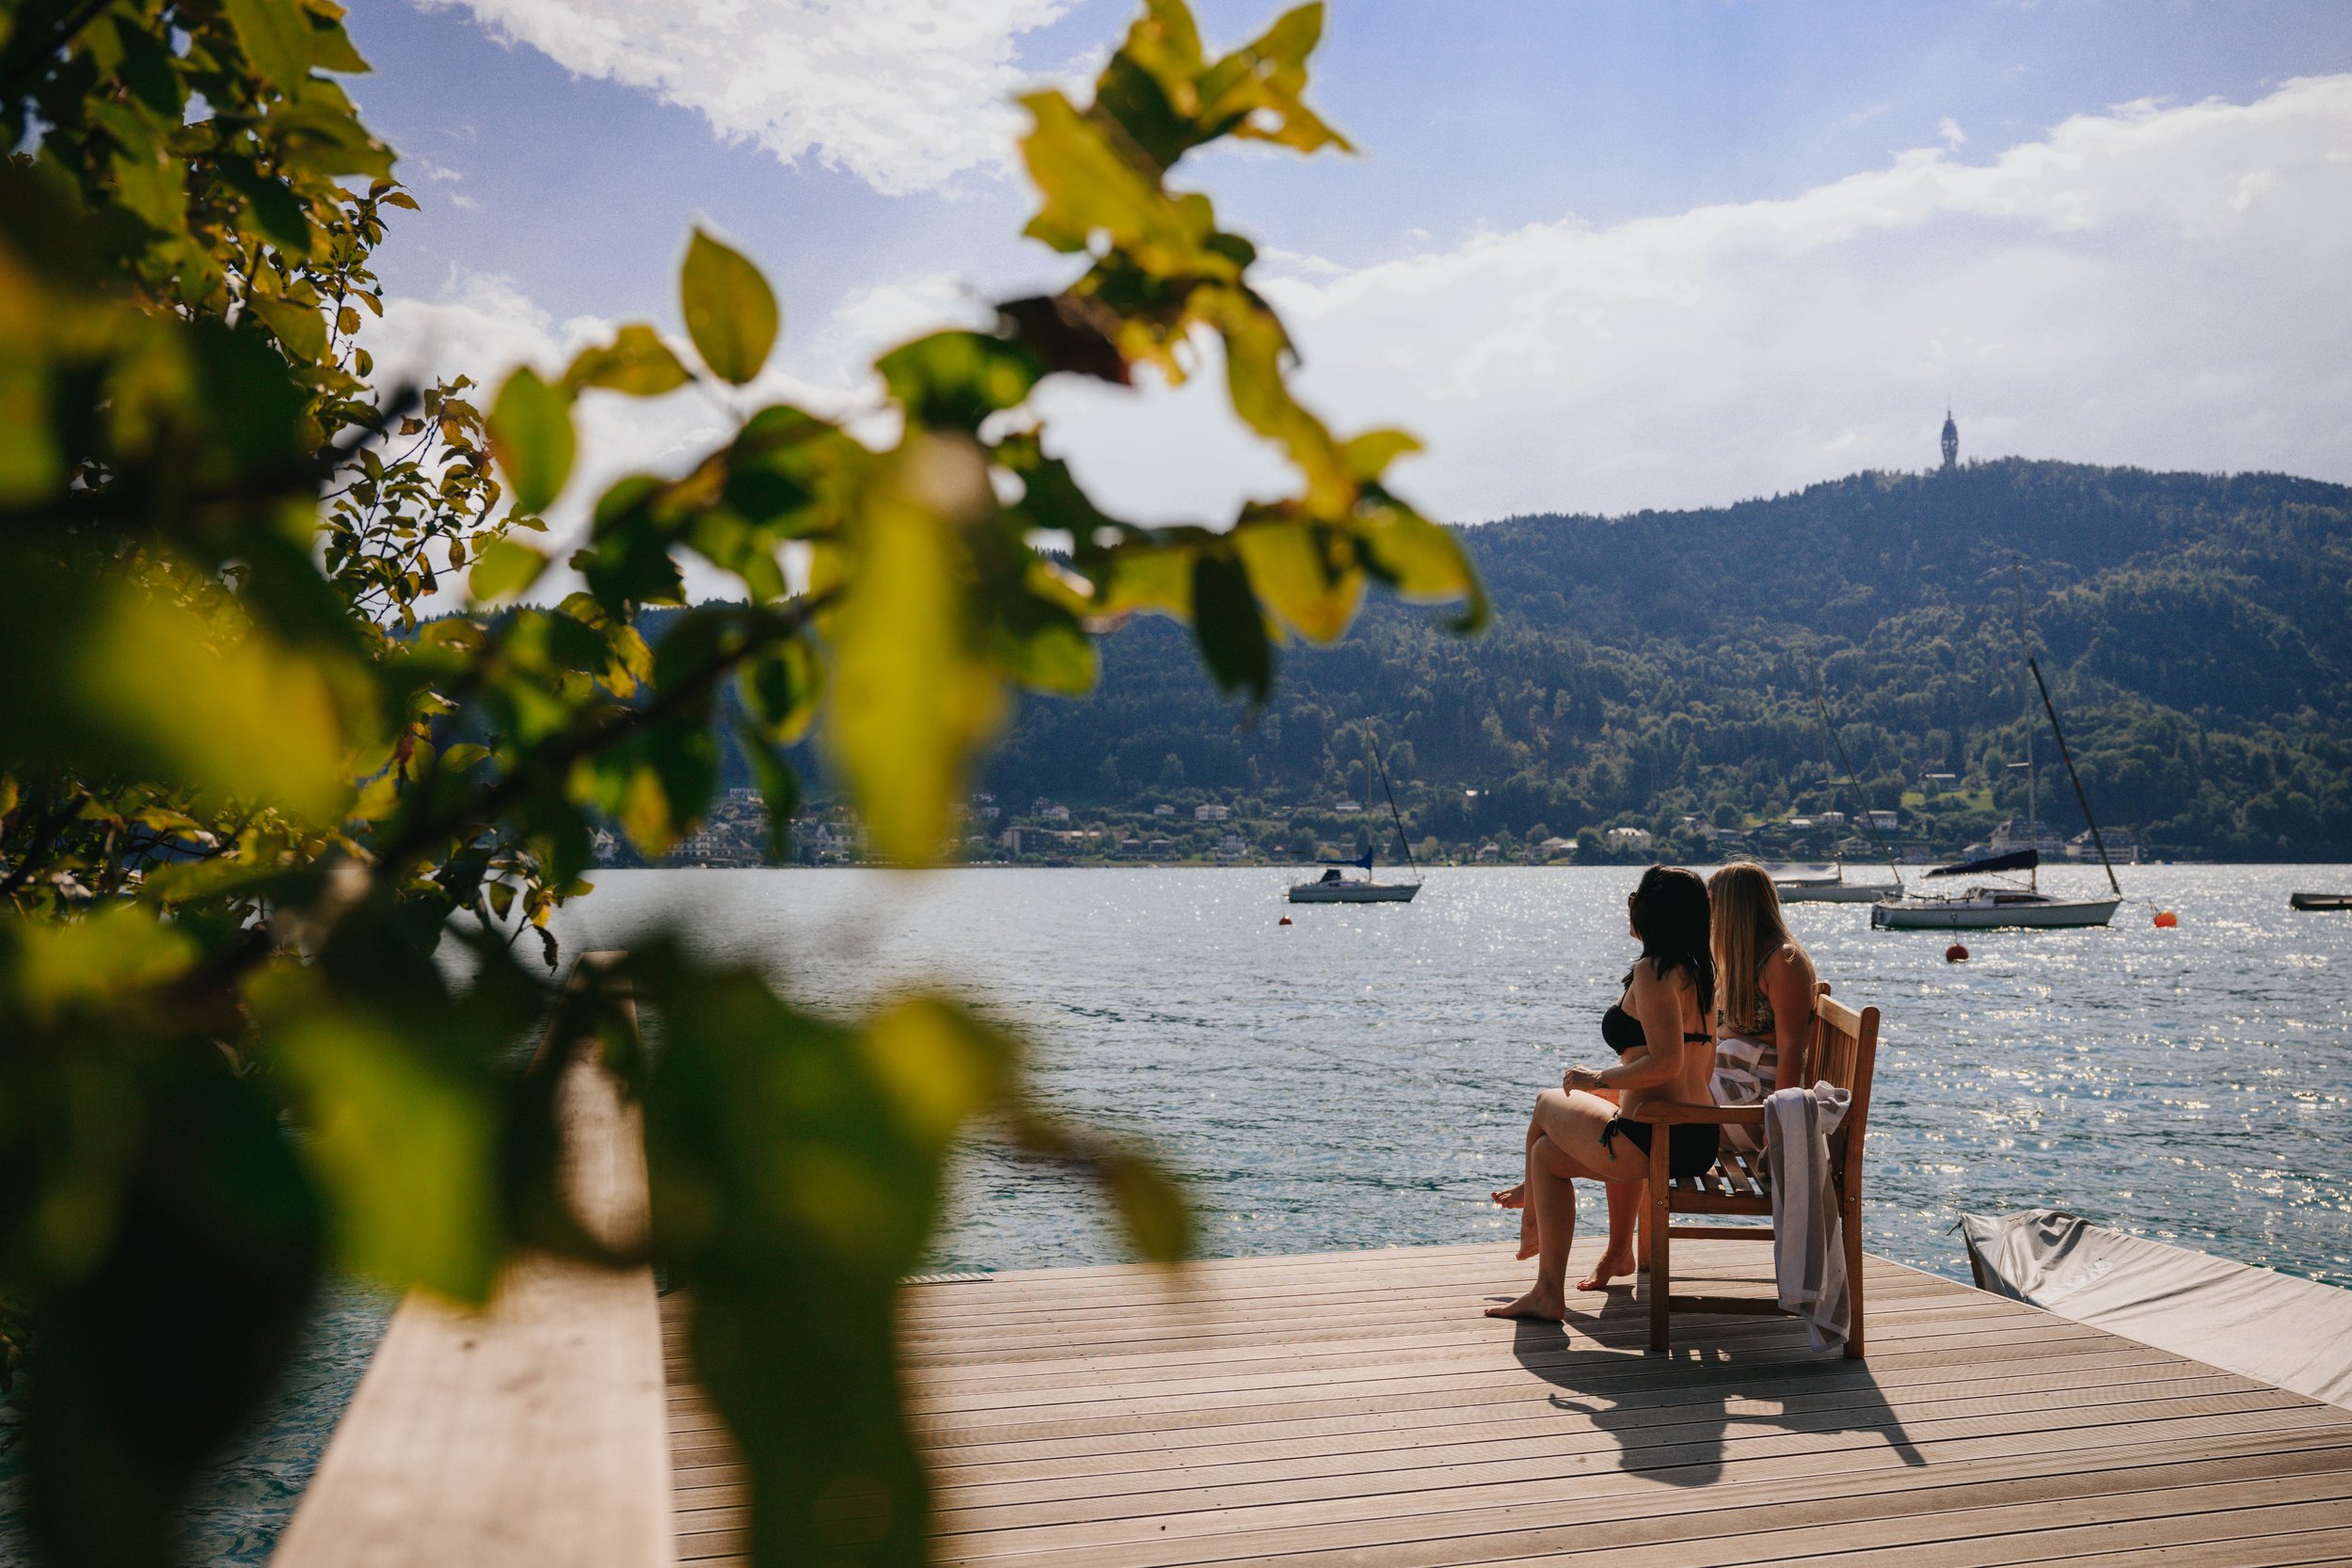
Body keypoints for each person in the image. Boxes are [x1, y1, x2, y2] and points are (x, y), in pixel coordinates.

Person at [1486, 865, 1720, 1322]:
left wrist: (1597, 1080)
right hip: (1697, 1135)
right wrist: (1622, 1094)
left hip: (1653, 1138)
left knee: (1545, 1102)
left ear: (1654, 912)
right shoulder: (1698, 972)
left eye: (1637, 897)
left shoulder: (1653, 972)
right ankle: (1547, 1286)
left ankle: (1531, 1223)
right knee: (1546, 1157)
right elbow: (1698, 1066)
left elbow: (1667, 1063)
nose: (1630, 903)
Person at [1707, 862, 1819, 1159]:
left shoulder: (1784, 961)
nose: (1709, 917)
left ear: (1733, 910)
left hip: (1757, 1101)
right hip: (1736, 1086)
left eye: (1712, 907)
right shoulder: (1743, 961)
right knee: (1638, 1098)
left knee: (1645, 1108)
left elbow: (1792, 1047)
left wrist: (1778, 1122)